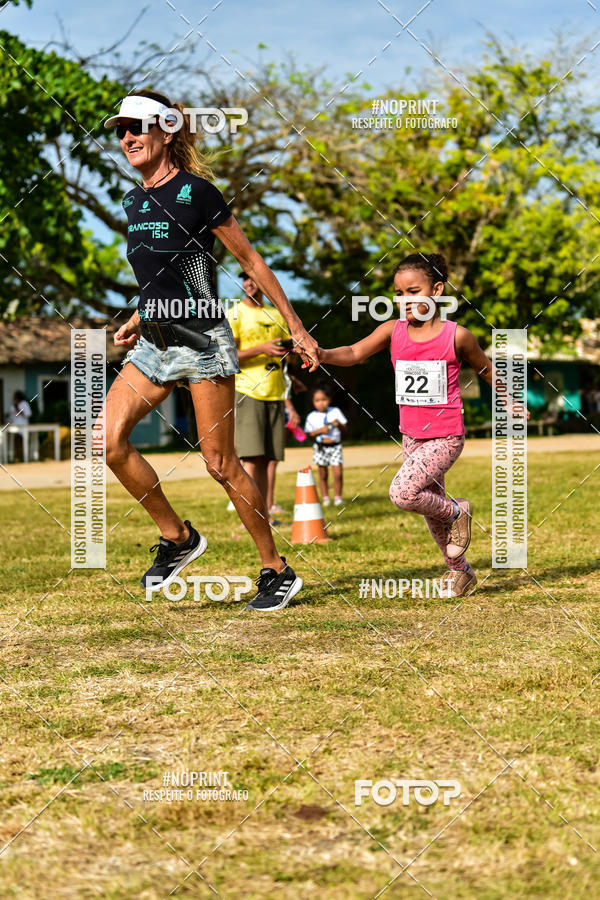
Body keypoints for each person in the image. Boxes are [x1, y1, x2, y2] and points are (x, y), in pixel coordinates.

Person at [104, 89, 318, 612]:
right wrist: (138, 316)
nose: (127, 137)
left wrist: (297, 327)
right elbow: (159, 274)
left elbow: (252, 262)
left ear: (166, 130)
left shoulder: (198, 193)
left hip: (202, 340)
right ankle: (177, 537)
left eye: (136, 127)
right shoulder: (133, 201)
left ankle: (277, 569)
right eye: (120, 130)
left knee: (219, 463)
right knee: (107, 442)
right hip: (155, 342)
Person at [316, 252, 528, 598]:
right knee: (432, 508)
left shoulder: (458, 336)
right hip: (411, 437)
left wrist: (510, 401)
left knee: (404, 493)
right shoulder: (392, 331)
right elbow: (354, 353)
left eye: (413, 292)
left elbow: (486, 369)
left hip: (446, 436)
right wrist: (323, 354)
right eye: (398, 294)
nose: (404, 300)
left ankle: (458, 511)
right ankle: (460, 572)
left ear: (437, 290)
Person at [227, 272, 301, 523]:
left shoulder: (276, 314)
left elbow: (285, 357)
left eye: (253, 278)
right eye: (245, 279)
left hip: (276, 392)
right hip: (248, 391)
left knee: (269, 458)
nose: (249, 283)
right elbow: (228, 356)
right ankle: (250, 518)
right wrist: (262, 349)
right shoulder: (235, 313)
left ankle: (265, 514)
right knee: (251, 457)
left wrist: (291, 355)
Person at [304, 383, 347, 506]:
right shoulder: (311, 416)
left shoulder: (335, 411)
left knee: (338, 473)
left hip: (335, 446)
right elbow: (308, 435)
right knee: (323, 474)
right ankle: (326, 498)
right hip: (321, 447)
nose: (321, 403)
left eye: (324, 399)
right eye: (317, 400)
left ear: (329, 399)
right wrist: (320, 431)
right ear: (313, 402)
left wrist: (339, 424)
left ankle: (338, 498)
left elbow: (345, 429)